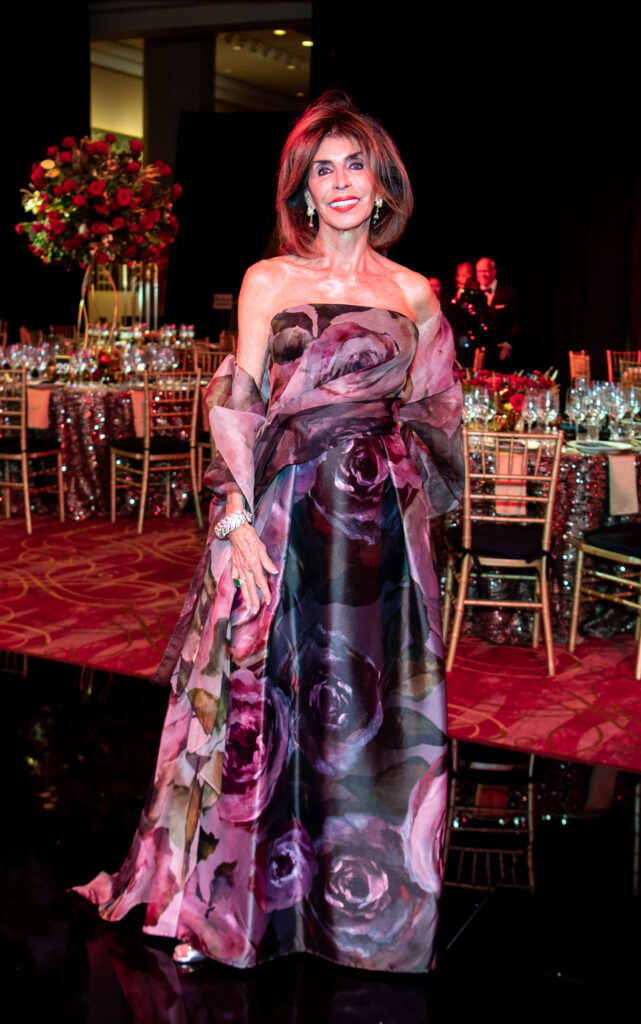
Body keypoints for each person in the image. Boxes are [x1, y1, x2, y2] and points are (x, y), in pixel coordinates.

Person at [74, 92, 463, 975]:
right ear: (301, 189)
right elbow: (237, 405)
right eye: (320, 169)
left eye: (352, 165)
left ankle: (352, 914)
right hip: (283, 518)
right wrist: (234, 517)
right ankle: (227, 905)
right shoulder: (268, 281)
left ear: (382, 182)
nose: (338, 184)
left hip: (376, 530)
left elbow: (440, 414)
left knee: (361, 710)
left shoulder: (415, 294)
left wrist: (414, 517)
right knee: (262, 703)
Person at [475, 257, 521, 370]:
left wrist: (509, 344)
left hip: (500, 354)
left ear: (494, 272)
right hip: (477, 354)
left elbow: (518, 322)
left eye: (485, 271)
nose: (482, 275)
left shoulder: (508, 293)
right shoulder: (472, 293)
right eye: (479, 271)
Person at [442, 262, 487, 362]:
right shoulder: (447, 296)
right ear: (456, 276)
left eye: (468, 274)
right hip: (452, 343)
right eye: (462, 274)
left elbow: (480, 319)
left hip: (473, 344)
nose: (465, 277)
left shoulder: (479, 296)